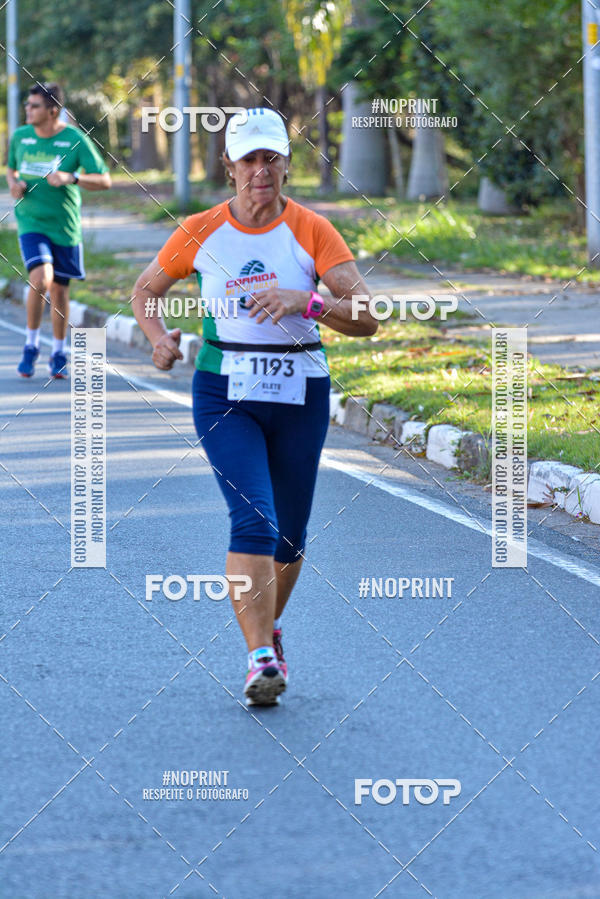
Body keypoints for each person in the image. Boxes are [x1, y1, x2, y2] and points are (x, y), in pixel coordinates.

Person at [131, 107, 377, 706]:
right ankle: (259, 657)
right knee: (255, 520)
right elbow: (144, 290)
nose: (260, 171)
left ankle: (269, 630)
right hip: (224, 391)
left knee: (290, 538)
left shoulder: (313, 230)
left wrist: (310, 302)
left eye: (271, 158)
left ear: (287, 166)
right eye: (249, 160)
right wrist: (158, 338)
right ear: (229, 168)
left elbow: (369, 317)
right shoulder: (200, 229)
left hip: (300, 392)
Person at [8, 83, 111, 378]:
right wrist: (14, 184)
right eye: (28, 105)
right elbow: (11, 168)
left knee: (60, 290)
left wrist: (72, 177)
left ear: (52, 111)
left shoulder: (74, 139)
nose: (28, 110)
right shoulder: (21, 137)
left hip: (65, 227)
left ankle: (57, 350)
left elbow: (104, 181)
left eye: (34, 106)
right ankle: (30, 345)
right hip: (31, 222)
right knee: (41, 279)